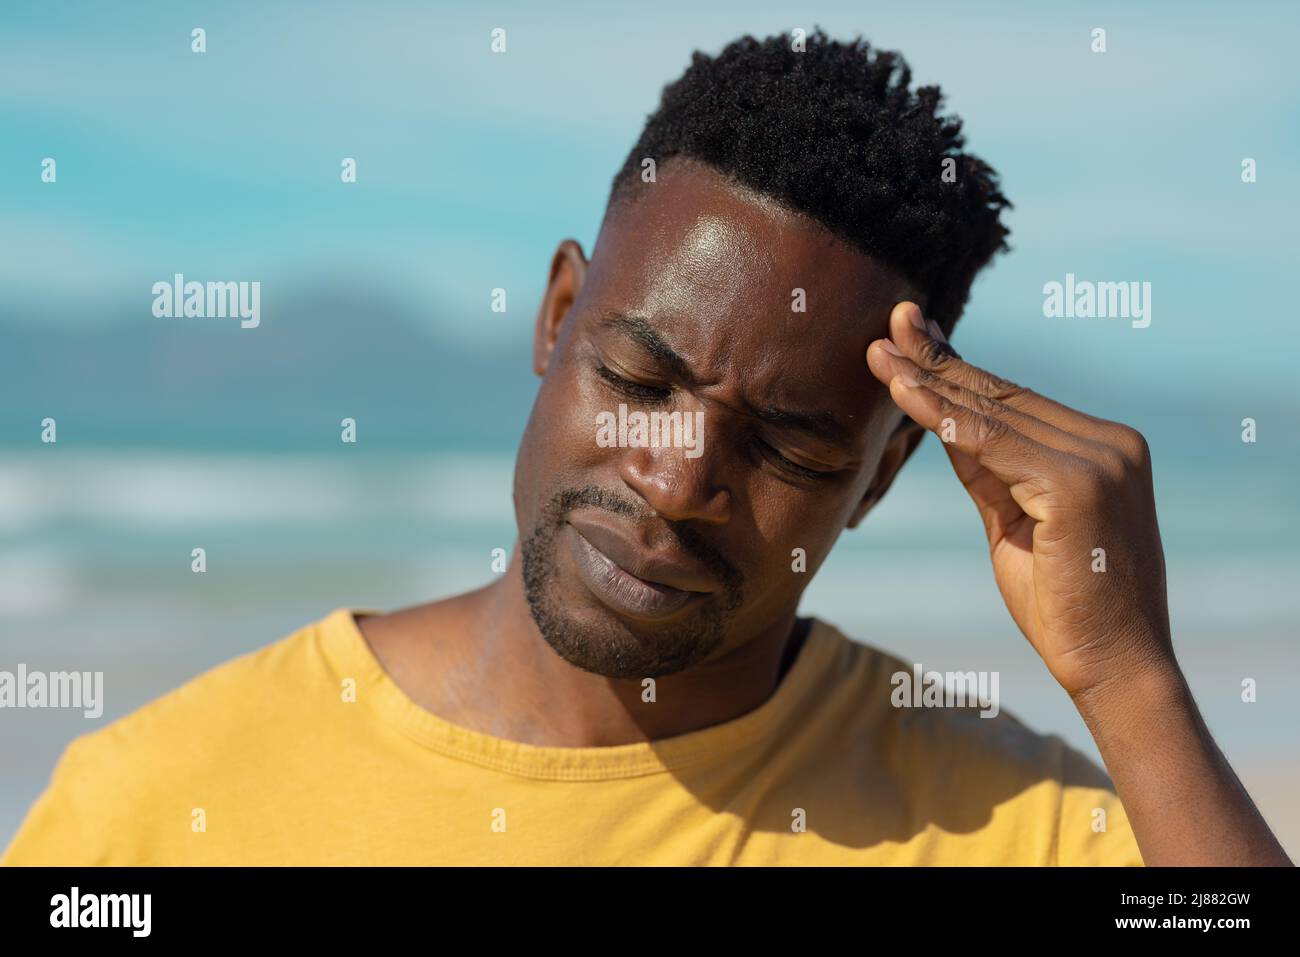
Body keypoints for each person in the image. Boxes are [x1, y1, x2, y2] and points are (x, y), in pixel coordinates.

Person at [4, 30, 1288, 867]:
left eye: (785, 443)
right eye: (636, 377)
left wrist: (1129, 680)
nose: (675, 482)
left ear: (882, 474)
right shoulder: (154, 805)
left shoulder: (1016, 826)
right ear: (559, 315)